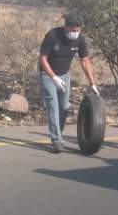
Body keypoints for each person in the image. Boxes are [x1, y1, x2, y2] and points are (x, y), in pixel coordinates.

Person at [39, 15, 98, 153]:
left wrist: (92, 83)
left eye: (78, 30)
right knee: (52, 105)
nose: (75, 33)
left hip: (64, 75)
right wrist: (53, 77)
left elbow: (84, 61)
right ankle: (57, 140)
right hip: (47, 75)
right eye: (73, 30)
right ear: (66, 27)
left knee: (64, 107)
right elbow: (42, 59)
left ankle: (57, 132)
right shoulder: (53, 36)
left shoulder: (80, 39)